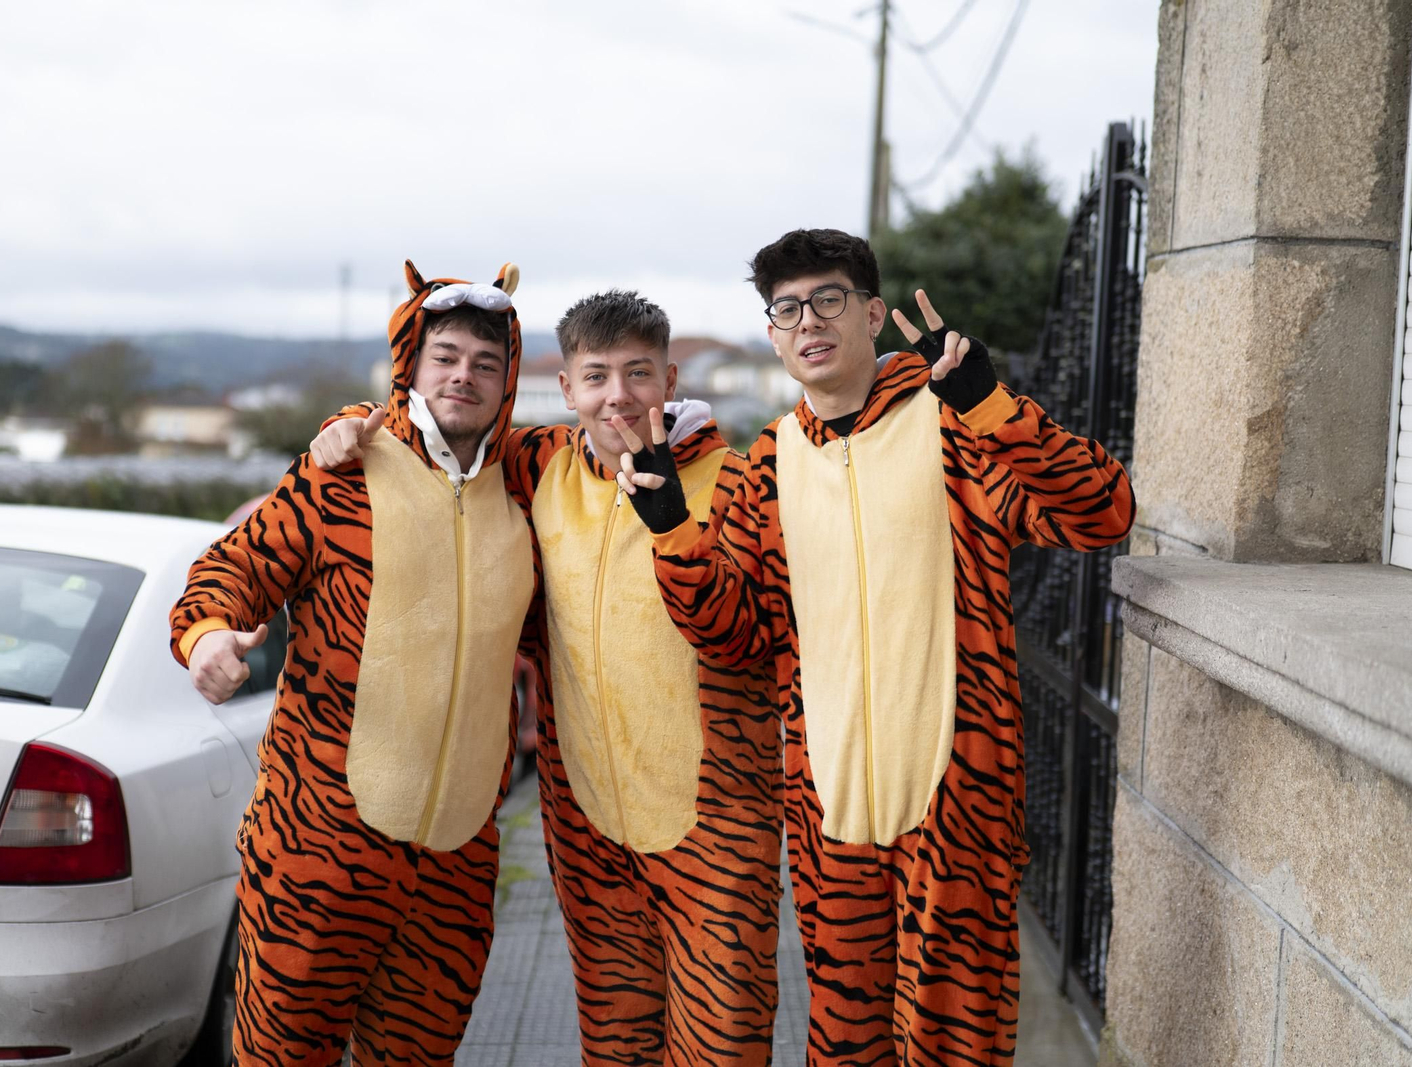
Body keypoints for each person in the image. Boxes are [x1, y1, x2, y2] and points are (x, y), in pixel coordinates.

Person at [612, 228, 1136, 1066]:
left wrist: (993, 405)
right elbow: (733, 637)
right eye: (786, 308)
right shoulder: (765, 466)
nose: (808, 319)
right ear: (774, 334)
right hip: (830, 815)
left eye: (829, 298)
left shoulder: (954, 426)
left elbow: (1101, 513)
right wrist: (674, 532)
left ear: (874, 313)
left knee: (955, 1048)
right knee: (844, 1046)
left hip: (957, 804)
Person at [311, 290, 783, 1066]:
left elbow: (747, 637)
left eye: (638, 373)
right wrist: (350, 424)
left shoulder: (739, 484)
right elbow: (441, 435)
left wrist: (673, 525)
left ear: (669, 379)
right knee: (616, 1047)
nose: (618, 396)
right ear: (566, 390)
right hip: (588, 831)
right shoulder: (540, 466)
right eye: (596, 376)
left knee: (723, 1049)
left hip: (714, 830)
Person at [168, 260, 534, 1066]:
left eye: (485, 361)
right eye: (445, 355)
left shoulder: (527, 488)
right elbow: (229, 570)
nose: (463, 376)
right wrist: (210, 638)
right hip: (320, 846)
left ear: (509, 376)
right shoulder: (345, 471)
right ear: (411, 361)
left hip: (456, 864)